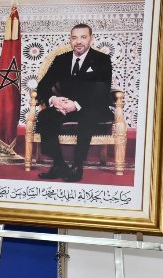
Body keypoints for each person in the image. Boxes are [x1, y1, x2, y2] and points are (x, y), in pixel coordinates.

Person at [35, 23, 112, 182]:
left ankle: (77, 165)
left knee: (86, 117)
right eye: (74, 37)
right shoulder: (61, 59)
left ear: (91, 38)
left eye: (83, 37)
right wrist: (53, 100)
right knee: (45, 116)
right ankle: (59, 164)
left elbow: (101, 90)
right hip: (65, 106)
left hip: (92, 106)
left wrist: (76, 105)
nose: (79, 41)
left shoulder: (102, 59)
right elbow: (42, 85)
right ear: (70, 39)